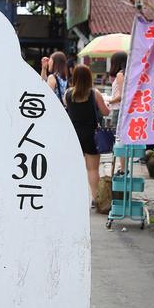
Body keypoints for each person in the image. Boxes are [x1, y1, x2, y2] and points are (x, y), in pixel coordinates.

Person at [65, 65, 109, 205]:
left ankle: (73, 199)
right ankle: (95, 198)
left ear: (75, 77)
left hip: (73, 136)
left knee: (74, 169)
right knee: (93, 169)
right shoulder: (94, 93)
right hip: (91, 135)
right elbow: (106, 112)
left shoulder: (67, 94)